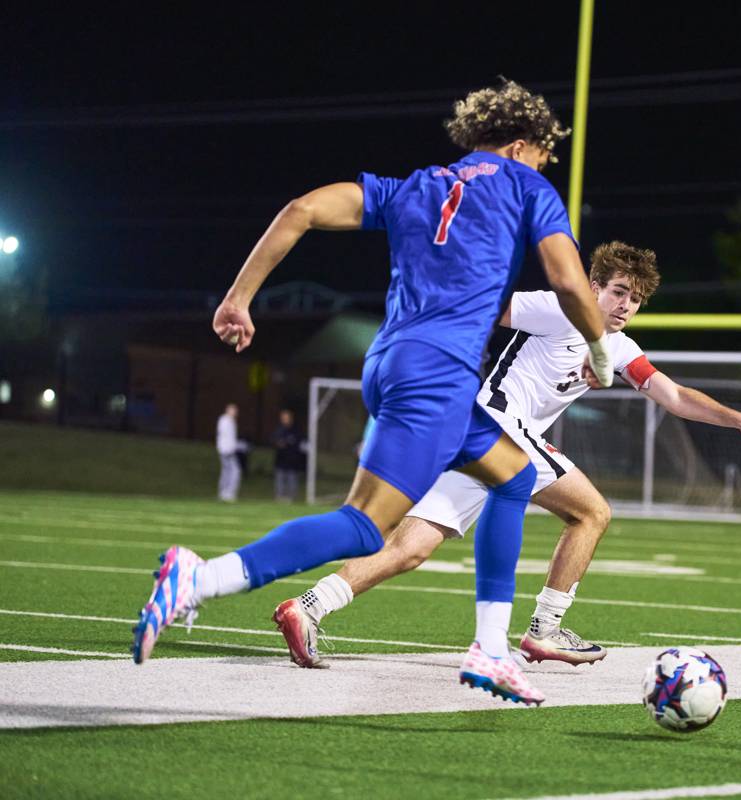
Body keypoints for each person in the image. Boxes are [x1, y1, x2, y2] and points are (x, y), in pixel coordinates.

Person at [131, 80, 611, 707]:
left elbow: (301, 209)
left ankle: (492, 652)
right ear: (522, 146)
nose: (543, 167)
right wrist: (599, 348)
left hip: (392, 361)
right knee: (363, 527)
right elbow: (570, 281)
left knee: (514, 476)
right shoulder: (525, 184)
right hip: (437, 375)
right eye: (543, 156)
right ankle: (199, 579)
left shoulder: (413, 186)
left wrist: (238, 298)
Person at [279, 242, 741, 669]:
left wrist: (738, 419)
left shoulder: (618, 349)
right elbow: (486, 307)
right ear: (593, 286)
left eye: (635, 299)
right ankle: (545, 629)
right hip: (496, 425)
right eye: (618, 291)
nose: (625, 305)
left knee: (411, 549)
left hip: (476, 439)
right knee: (592, 512)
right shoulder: (559, 308)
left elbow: (675, 396)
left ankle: (308, 607)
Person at [272, 409, 305, 502]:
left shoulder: (295, 430)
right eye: (283, 418)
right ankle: (279, 497)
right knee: (280, 478)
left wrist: (287, 443)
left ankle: (291, 497)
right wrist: (278, 443)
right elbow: (273, 440)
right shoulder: (279, 429)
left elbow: (298, 442)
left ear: (290, 418)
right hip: (280, 459)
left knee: (292, 478)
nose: (284, 420)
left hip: (292, 460)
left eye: (286, 418)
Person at [216, 403, 241, 502]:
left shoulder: (231, 421)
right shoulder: (225, 421)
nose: (234, 413)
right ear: (228, 410)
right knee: (233, 471)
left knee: (228, 471)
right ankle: (227, 493)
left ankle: (226, 492)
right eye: (233, 410)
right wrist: (226, 449)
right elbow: (224, 436)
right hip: (226, 450)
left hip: (229, 449)